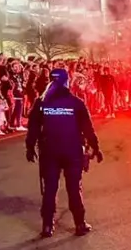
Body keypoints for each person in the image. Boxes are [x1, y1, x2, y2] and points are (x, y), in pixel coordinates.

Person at [25, 68, 103, 238]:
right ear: (67, 82)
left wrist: (30, 147)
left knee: (50, 189)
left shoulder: (41, 102)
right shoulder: (76, 102)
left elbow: (33, 128)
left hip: (49, 152)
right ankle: (80, 224)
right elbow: (88, 128)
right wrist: (95, 147)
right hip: (72, 151)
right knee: (74, 188)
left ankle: (47, 226)